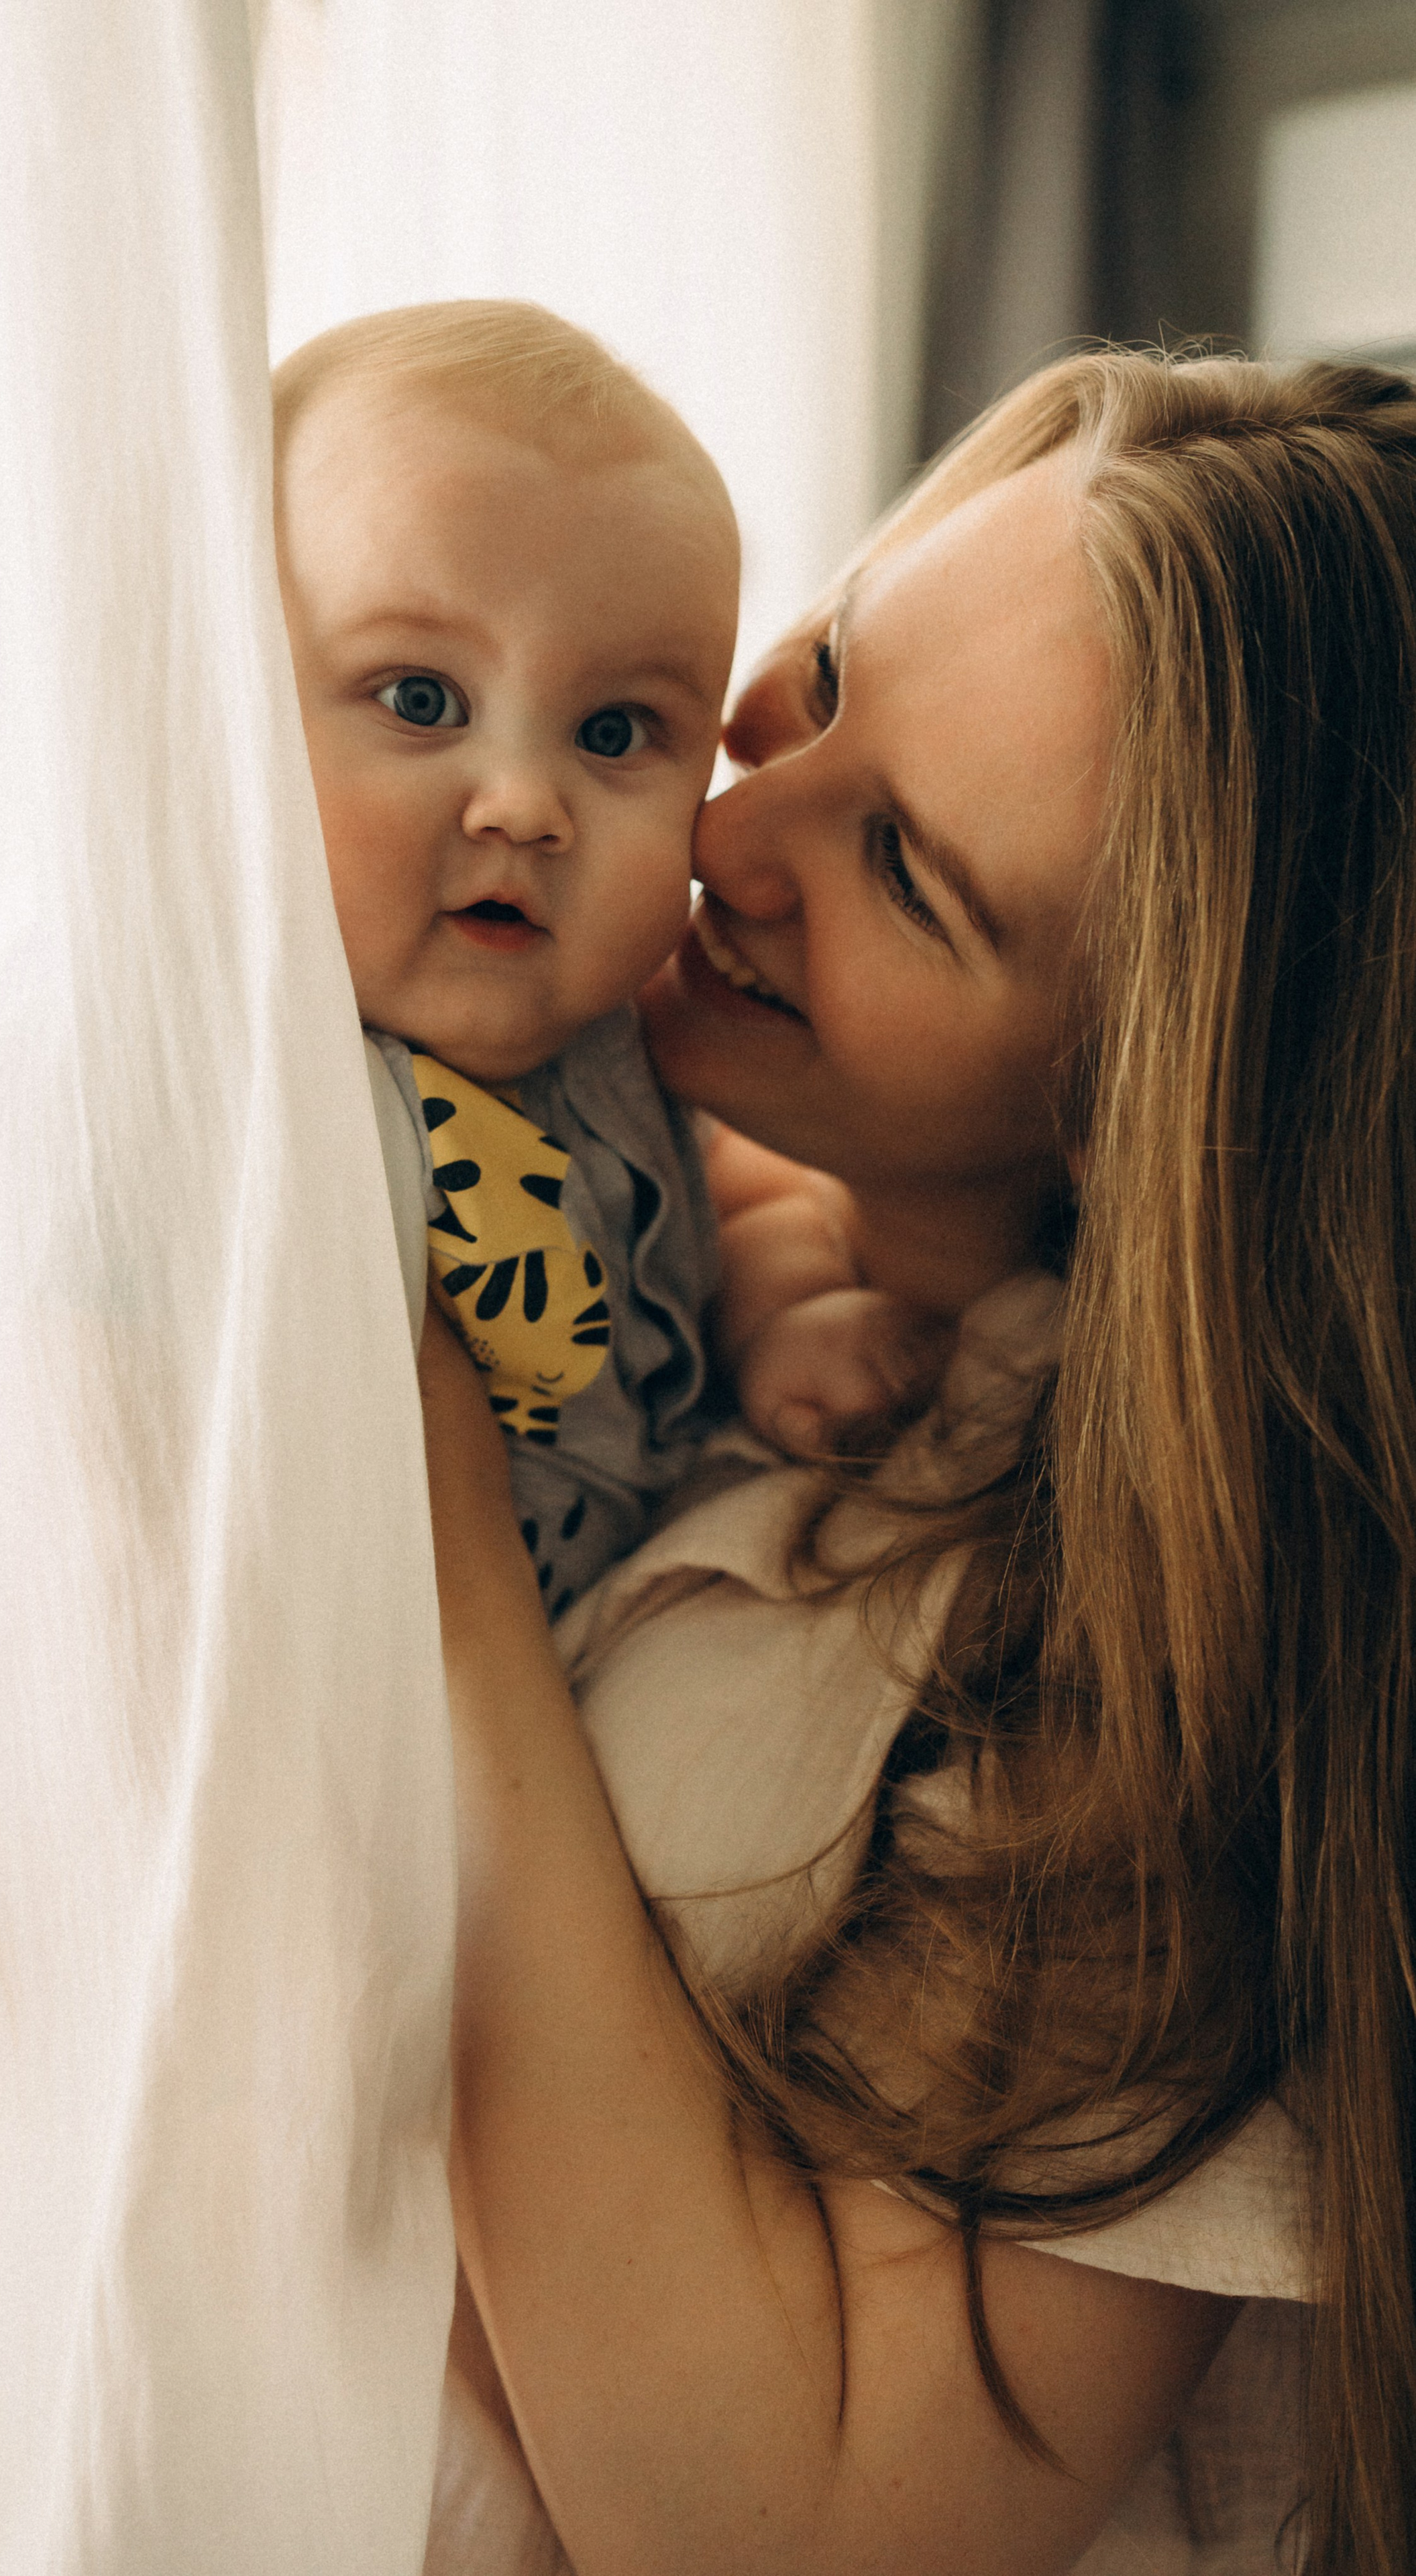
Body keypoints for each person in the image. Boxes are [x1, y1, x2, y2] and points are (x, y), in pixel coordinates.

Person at [415, 349, 1416, 2575]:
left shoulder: (1168, 1687)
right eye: (833, 672)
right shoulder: (620, 1175)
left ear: (1150, 1120)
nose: (725, 831)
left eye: (907, 874)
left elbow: (795, 2526)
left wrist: (438, 1553)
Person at [274, 301, 945, 1611]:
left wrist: (785, 1312)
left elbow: (735, 1198)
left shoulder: (630, 1030)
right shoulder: (234, 1085)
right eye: (422, 700)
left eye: (615, 731)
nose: (525, 805)